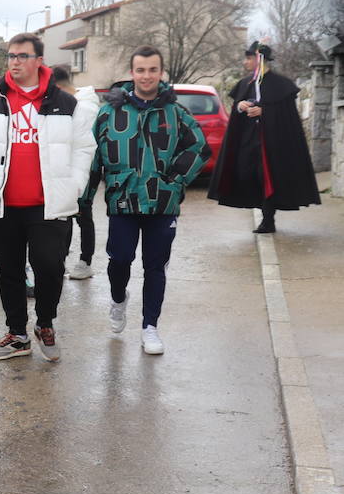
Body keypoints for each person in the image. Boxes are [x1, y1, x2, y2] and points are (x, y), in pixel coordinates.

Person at [0, 33, 96, 362]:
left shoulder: (66, 103)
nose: (15, 62)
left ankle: (45, 323)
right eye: (11, 56)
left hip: (48, 205)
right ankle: (17, 334)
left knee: (49, 267)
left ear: (38, 61)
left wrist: (74, 184)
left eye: (22, 56)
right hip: (2, 204)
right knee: (8, 272)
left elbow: (84, 149)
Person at [83, 46, 206, 356]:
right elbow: (93, 155)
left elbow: (199, 148)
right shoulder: (110, 112)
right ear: (132, 73)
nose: (147, 76)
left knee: (155, 267)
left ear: (161, 73)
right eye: (141, 70)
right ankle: (118, 298)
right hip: (123, 200)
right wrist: (83, 199)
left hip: (162, 204)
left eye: (153, 70)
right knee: (120, 259)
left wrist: (176, 182)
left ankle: (150, 327)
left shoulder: (175, 112)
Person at [208, 41, 320, 232]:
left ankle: (268, 219)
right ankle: (264, 213)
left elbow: (287, 115)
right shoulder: (245, 83)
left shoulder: (281, 85)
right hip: (247, 141)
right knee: (247, 175)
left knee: (268, 177)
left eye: (249, 58)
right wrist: (240, 106)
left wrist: (265, 112)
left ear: (259, 59)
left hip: (273, 143)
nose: (245, 62)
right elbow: (237, 110)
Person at [49, 65, 100, 280]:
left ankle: (85, 261)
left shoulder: (85, 107)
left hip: (87, 167)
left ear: (58, 86)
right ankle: (61, 260)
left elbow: (82, 144)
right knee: (66, 214)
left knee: (83, 215)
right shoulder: (74, 101)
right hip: (66, 168)